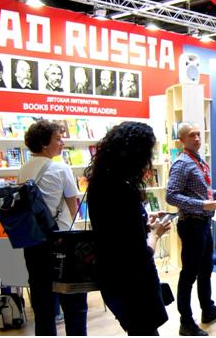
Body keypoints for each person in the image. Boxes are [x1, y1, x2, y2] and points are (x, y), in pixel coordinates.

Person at [87, 122, 170, 335]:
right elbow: (139, 255)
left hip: (111, 278)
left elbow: (115, 230)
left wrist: (143, 220)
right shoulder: (124, 192)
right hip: (133, 285)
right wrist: (156, 234)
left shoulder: (99, 184)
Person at [19, 120, 87, 335]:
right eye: (58, 138)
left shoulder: (24, 168)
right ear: (44, 143)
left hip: (33, 241)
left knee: (43, 305)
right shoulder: (60, 167)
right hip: (61, 241)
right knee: (74, 304)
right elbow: (73, 206)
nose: (62, 142)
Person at [166, 122, 216, 336]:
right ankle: (185, 322)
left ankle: (207, 309)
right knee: (189, 275)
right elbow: (171, 196)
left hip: (202, 223)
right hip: (191, 224)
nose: (197, 138)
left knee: (206, 269)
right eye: (191, 135)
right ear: (181, 140)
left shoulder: (199, 160)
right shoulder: (182, 163)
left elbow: (198, 191)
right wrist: (202, 205)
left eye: (198, 134)